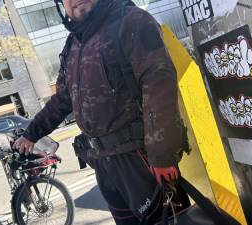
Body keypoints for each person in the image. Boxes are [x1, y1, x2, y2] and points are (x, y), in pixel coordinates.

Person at [14, 0, 190, 224]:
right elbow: (62, 99)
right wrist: (31, 134)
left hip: (140, 158)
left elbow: (159, 84)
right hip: (104, 163)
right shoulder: (73, 45)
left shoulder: (130, 22)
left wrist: (163, 155)